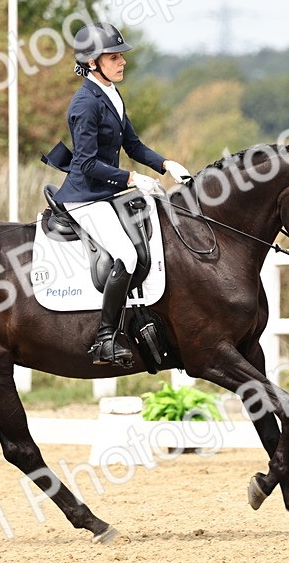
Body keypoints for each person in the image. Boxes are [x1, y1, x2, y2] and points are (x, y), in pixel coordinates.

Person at [51, 22, 192, 367]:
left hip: (107, 191)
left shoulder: (111, 93)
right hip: (86, 197)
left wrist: (166, 164)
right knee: (127, 256)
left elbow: (133, 145)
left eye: (120, 56)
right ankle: (105, 337)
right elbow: (84, 165)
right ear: (93, 63)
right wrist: (132, 178)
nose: (122, 61)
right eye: (114, 56)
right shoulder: (85, 103)